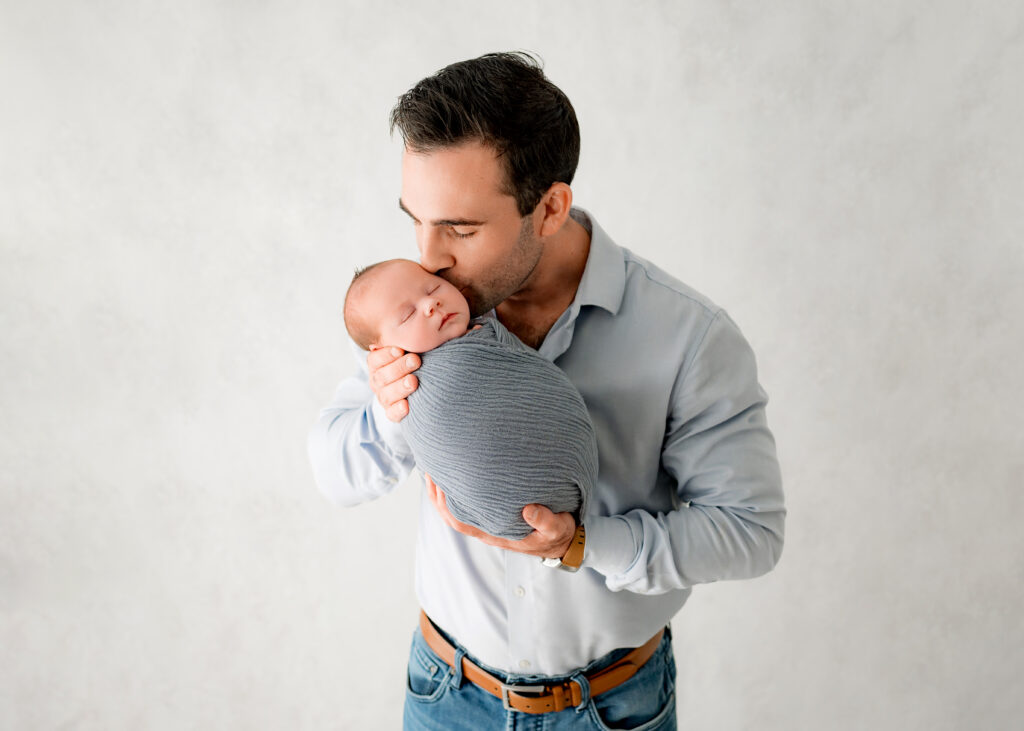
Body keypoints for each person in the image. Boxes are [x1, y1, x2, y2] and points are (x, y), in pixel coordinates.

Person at [308, 52, 786, 730]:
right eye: (416, 218)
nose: (429, 254)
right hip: (447, 695)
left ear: (551, 206)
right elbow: (333, 472)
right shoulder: (423, 309)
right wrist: (392, 409)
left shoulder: (688, 336)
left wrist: (587, 543)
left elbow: (751, 531)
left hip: (613, 709)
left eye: (461, 228)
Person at [342, 257, 597, 539]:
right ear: (381, 349)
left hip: (574, 469)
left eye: (433, 288)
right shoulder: (387, 374)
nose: (430, 304)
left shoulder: (483, 331)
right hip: (492, 521)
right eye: (407, 315)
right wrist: (392, 405)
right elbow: (335, 475)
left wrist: (579, 547)